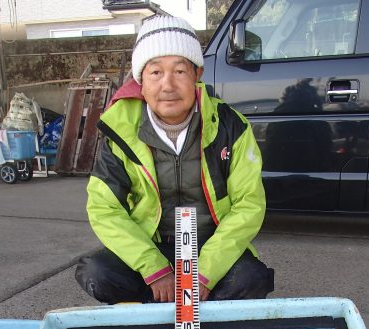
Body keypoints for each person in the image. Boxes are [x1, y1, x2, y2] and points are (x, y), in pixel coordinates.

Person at [76, 15, 274, 304]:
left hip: (211, 248)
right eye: (155, 72)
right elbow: (104, 208)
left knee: (251, 279)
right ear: (140, 81)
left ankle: (194, 305)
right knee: (97, 273)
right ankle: (160, 303)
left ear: (197, 75)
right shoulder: (119, 131)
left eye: (180, 71)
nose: (167, 85)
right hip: (152, 246)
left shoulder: (231, 126)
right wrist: (153, 268)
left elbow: (249, 204)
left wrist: (206, 272)